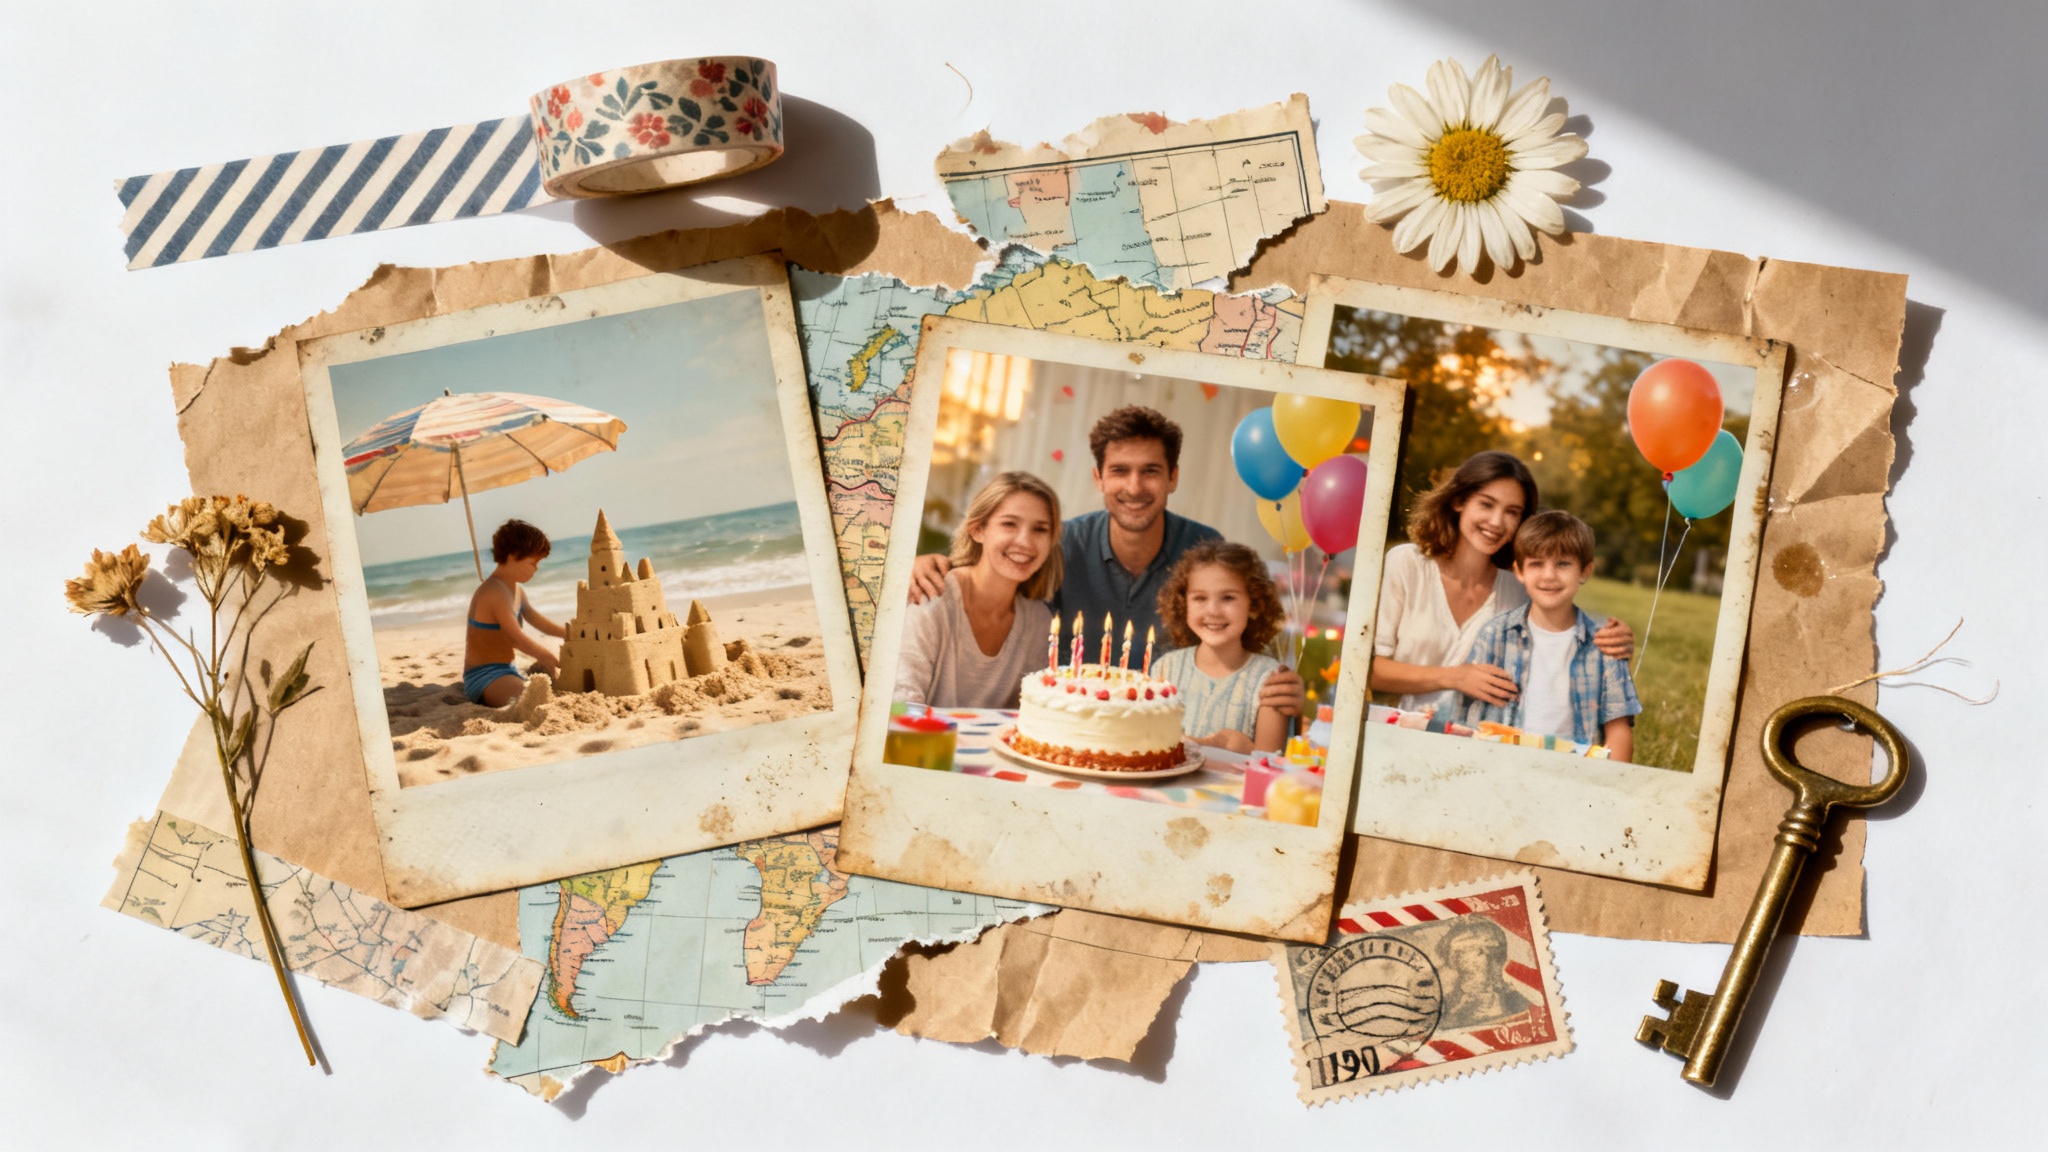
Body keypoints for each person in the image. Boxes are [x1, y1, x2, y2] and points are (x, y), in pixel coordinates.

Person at [909, 405, 1305, 718]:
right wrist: (928, 565)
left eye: (1150, 471)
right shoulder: (1060, 545)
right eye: (1120, 471)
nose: (1134, 487)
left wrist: (1274, 686)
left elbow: (1238, 641)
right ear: (1099, 478)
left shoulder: (1204, 549)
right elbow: (997, 569)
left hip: (1164, 733)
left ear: (1173, 477)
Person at [1370, 451, 1633, 720]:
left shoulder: (1517, 590)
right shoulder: (1406, 564)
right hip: (1396, 732)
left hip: (1476, 741)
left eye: (1512, 512)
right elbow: (1369, 672)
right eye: (1486, 504)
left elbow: (1563, 635)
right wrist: (1455, 677)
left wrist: (1611, 637)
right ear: (1459, 500)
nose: (1496, 522)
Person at [1458, 511, 1641, 760]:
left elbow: (1619, 731)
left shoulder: (1605, 643)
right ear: (1519, 571)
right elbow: (1466, 718)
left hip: (1571, 773)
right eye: (1536, 564)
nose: (1549, 575)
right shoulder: (1495, 635)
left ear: (1585, 571)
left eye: (1563, 564)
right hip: (1501, 764)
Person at [893, 472, 1062, 710]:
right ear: (978, 529)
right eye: (1009, 524)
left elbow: (1028, 719)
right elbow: (900, 706)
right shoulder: (931, 595)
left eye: (1040, 529)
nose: (1025, 542)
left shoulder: (1039, 622)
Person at [1150, 541, 1290, 754]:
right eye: (1200, 598)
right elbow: (1148, 743)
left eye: (1228, 598)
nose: (1213, 610)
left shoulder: (1271, 681)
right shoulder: (1165, 669)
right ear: (1183, 603)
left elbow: (1269, 769)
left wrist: (1245, 750)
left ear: (1254, 605)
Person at [463, 519, 567, 707]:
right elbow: (514, 638)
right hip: (485, 675)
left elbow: (538, 621)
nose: (536, 569)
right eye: (532, 563)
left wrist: (567, 633)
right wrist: (545, 655)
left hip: (508, 669)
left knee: (548, 687)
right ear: (512, 556)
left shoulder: (516, 590)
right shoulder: (494, 591)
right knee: (531, 701)